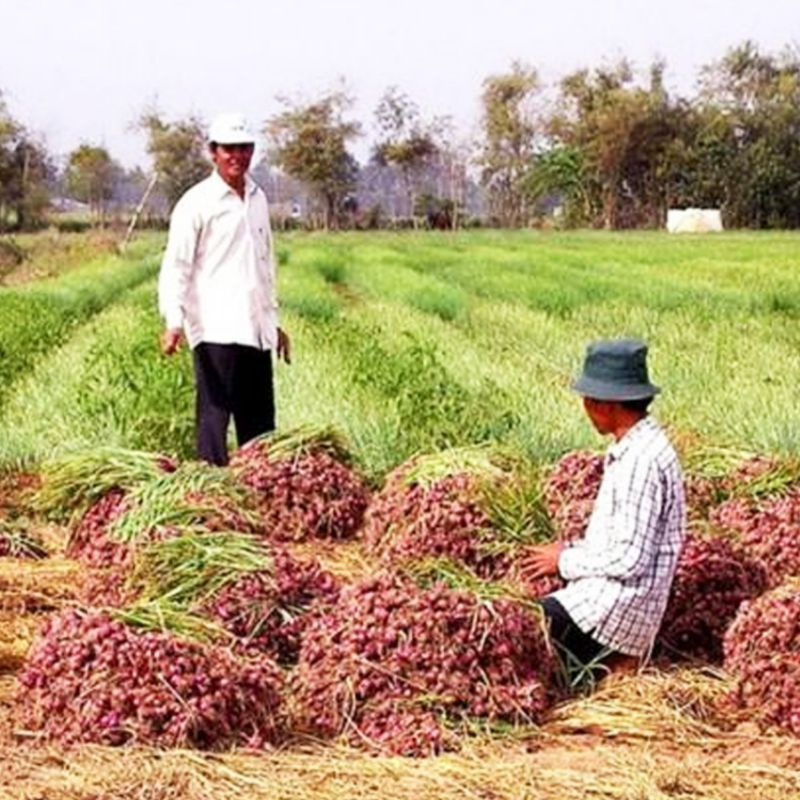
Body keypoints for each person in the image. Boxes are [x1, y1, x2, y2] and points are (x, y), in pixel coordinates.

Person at [523, 339, 686, 678]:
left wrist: (563, 562)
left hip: (609, 613)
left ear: (608, 403)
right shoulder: (642, 446)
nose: (585, 407)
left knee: (516, 626)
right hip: (614, 604)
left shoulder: (640, 462)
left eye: (588, 399)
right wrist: (570, 550)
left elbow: (629, 558)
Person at [158, 112, 290, 466]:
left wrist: (273, 323)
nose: (237, 156)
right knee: (214, 420)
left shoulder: (258, 198)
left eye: (244, 148)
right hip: (215, 326)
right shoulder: (197, 203)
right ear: (213, 152)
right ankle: (213, 489)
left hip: (254, 328)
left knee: (260, 426)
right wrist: (174, 322)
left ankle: (256, 489)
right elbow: (177, 266)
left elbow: (264, 263)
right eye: (229, 149)